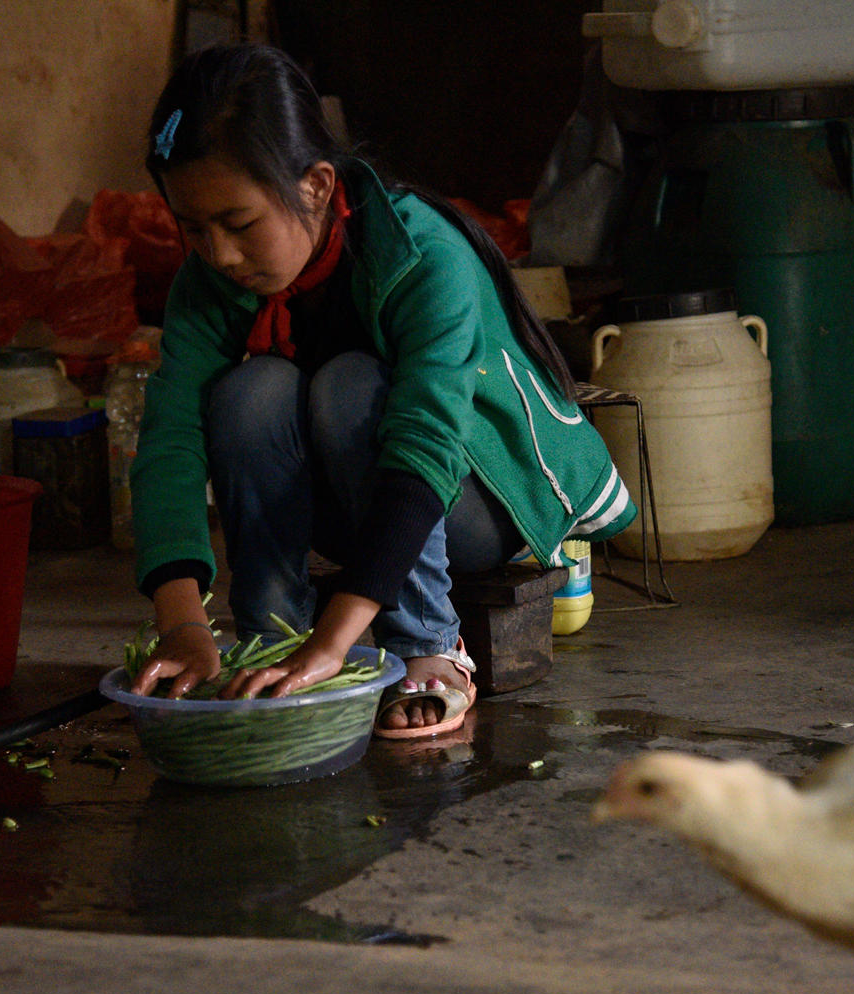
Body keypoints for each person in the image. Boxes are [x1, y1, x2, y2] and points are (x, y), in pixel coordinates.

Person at [125, 42, 636, 738]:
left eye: (239, 225)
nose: (218, 254)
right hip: (362, 503)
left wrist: (335, 643)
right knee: (248, 395)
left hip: (470, 498)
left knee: (349, 386)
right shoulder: (209, 284)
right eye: (193, 229)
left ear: (316, 185)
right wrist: (182, 623)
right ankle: (270, 639)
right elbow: (171, 440)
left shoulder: (423, 254)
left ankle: (427, 643)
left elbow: (426, 445)